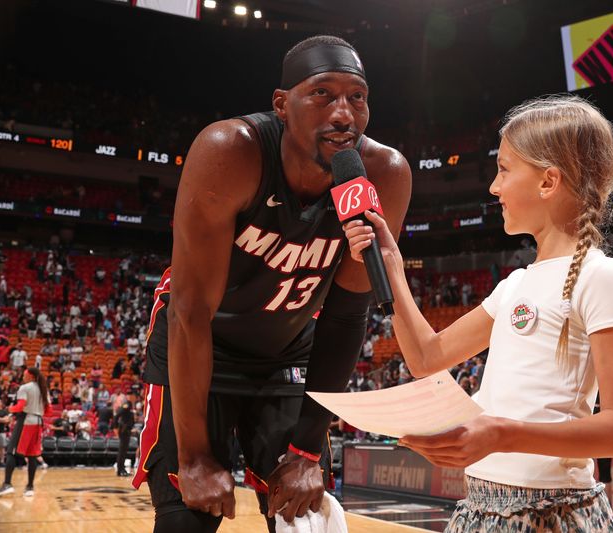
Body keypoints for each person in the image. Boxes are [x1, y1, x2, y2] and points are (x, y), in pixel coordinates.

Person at [133, 35, 410, 533]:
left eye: (357, 97)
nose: (344, 114)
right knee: (185, 521)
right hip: (200, 349)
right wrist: (195, 458)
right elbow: (189, 312)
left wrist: (306, 451)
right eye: (323, 94)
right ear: (282, 105)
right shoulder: (231, 152)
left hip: (288, 355)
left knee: (306, 522)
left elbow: (347, 315)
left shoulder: (384, 173)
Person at [344, 95, 613, 530]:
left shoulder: (601, 276)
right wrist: (391, 263)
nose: (493, 187)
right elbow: (426, 357)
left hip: (555, 511)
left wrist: (502, 434)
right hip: (480, 504)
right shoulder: (514, 284)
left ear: (548, 181)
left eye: (503, 169)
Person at [0, 367, 49, 497]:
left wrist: (10, 409)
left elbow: (20, 406)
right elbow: (48, 410)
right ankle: (30, 487)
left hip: (26, 421)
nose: (23, 376)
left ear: (31, 376)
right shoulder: (43, 390)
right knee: (32, 455)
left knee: (11, 452)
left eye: (25, 374)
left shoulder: (25, 388)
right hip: (38, 422)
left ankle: (7, 484)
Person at [114, 400, 134, 477]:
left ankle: (122, 469)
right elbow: (116, 416)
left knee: (124, 451)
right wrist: (115, 427)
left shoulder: (128, 409)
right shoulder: (125, 407)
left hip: (127, 431)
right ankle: (120, 470)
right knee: (122, 451)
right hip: (123, 430)